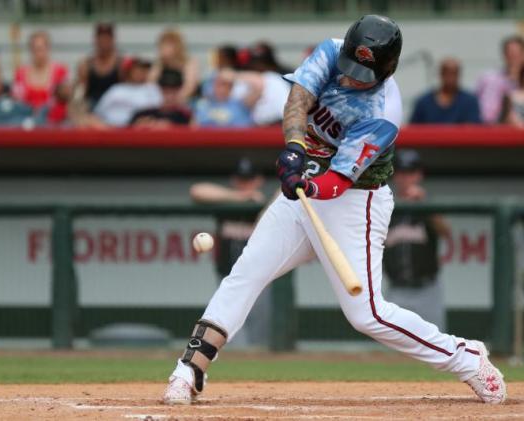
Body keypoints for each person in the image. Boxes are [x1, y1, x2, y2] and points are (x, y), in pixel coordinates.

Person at [163, 15, 505, 406]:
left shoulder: (383, 113)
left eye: (363, 73)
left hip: (355, 200)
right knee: (245, 272)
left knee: (367, 314)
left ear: (387, 68)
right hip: (305, 188)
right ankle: (188, 370)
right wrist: (294, 146)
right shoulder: (330, 50)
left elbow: (338, 181)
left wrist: (306, 184)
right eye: (350, 68)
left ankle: (467, 358)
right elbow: (298, 100)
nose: (350, 79)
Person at [189, 158, 269, 347]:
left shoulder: (267, 207)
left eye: (249, 180)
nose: (245, 184)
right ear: (234, 180)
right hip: (228, 278)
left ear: (259, 180)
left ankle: (263, 373)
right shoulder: (226, 202)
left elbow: (283, 193)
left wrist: (261, 204)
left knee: (262, 339)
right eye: (241, 179)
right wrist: (239, 197)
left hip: (261, 280)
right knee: (231, 335)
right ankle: (236, 374)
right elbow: (197, 191)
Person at [384, 150, 451, 330]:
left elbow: (445, 232)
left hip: (427, 290)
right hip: (396, 290)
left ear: (419, 175)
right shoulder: (384, 205)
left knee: (437, 348)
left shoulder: (428, 205)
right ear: (395, 175)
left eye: (411, 173)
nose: (406, 178)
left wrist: (424, 204)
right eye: (402, 172)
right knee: (392, 352)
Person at [11, 31, 70, 125]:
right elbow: (17, 102)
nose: (38, 53)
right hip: (27, 122)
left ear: (48, 48)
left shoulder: (60, 72)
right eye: (34, 49)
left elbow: (65, 100)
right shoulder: (20, 73)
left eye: (40, 49)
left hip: (53, 122)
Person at [90, 57, 161, 128]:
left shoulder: (152, 88)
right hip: (113, 130)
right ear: (128, 71)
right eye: (137, 69)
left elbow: (159, 110)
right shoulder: (116, 89)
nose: (141, 72)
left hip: (142, 131)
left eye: (144, 69)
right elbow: (98, 112)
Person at [410, 58, 481, 124]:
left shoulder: (470, 102)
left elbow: (475, 130)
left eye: (454, 73)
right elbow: (412, 130)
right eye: (447, 73)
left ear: (459, 75)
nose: (451, 78)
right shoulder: (424, 102)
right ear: (441, 74)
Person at [476, 35, 524, 124]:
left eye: (516, 54)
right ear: (504, 54)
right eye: (510, 53)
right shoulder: (489, 79)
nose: (513, 57)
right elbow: (483, 112)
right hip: (492, 131)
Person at [75, 23, 122, 110]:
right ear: (95, 40)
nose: (104, 42)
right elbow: (80, 92)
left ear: (113, 40)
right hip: (93, 107)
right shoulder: (86, 65)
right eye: (101, 38)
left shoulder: (121, 64)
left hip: (115, 107)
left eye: (107, 38)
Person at [194, 69, 260, 128]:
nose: (223, 89)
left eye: (228, 85)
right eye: (219, 84)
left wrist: (235, 76)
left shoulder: (241, 104)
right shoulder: (202, 105)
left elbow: (259, 86)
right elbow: (194, 128)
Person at [148, 29, 200, 102]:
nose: (163, 48)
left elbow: (189, 87)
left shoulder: (189, 62)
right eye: (162, 45)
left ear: (177, 46)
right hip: (162, 102)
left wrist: (175, 100)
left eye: (168, 44)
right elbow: (150, 84)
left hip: (185, 101)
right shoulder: (159, 63)